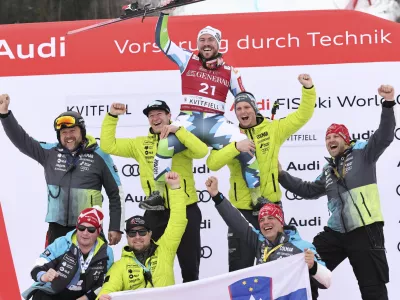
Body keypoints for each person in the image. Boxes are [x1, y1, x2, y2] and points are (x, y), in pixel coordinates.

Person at [278, 85, 395, 300]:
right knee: (305, 269)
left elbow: (385, 135)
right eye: (327, 138)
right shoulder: (328, 170)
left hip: (365, 231)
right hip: (336, 233)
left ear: (346, 139)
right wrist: (281, 175)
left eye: (335, 136)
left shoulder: (363, 153)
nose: (330, 140)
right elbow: (308, 190)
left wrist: (388, 103)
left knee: (373, 289)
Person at [146, 4, 264, 209]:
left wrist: (257, 121)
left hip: (216, 123)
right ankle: (157, 193)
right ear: (198, 44)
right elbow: (162, 42)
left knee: (247, 146)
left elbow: (243, 99)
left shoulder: (230, 71)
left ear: (218, 44)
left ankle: (257, 196)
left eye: (210, 40)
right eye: (202, 40)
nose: (206, 44)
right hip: (188, 120)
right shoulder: (187, 58)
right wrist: (163, 14)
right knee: (164, 144)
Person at [205, 74, 316, 272]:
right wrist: (235, 147)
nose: (243, 111)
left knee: (278, 268)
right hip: (243, 212)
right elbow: (212, 162)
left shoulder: (273, 129)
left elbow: (303, 115)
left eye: (247, 107)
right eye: (238, 109)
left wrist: (308, 89)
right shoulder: (230, 136)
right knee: (240, 271)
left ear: (254, 108)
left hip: (271, 209)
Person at [100, 100, 207, 282]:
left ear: (168, 116)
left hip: (185, 208)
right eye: (151, 115)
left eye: (159, 114)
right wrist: (112, 117)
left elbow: (202, 151)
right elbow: (108, 146)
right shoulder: (140, 144)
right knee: (148, 263)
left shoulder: (181, 139)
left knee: (190, 267)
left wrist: (178, 131)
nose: (155, 118)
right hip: (155, 211)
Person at [0, 94, 124, 247]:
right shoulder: (49, 153)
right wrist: (5, 115)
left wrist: (116, 226)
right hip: (57, 231)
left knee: (90, 271)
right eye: (63, 133)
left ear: (82, 131)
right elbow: (22, 140)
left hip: (89, 229)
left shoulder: (100, 155)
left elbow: (115, 193)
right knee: (51, 271)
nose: (68, 136)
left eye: (72, 131)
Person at [205, 176, 332, 299]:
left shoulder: (302, 247)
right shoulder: (260, 242)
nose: (265, 222)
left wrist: (313, 266)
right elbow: (237, 222)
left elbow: (327, 281)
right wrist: (216, 196)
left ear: (281, 222)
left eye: (271, 218)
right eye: (262, 220)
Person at [97, 172, 187, 299]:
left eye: (142, 232)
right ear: (127, 237)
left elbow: (178, 221)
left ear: (150, 234)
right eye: (132, 233)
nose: (138, 237)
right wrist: (101, 298)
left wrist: (175, 188)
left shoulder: (164, 250)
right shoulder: (119, 266)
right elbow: (108, 288)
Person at [22, 206, 114, 300]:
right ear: (77, 227)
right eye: (81, 228)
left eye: (91, 230)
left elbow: (105, 283)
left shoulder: (106, 252)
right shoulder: (62, 243)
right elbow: (37, 266)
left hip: (83, 297)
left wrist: (86, 298)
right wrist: (44, 276)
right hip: (52, 294)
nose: (85, 233)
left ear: (98, 231)